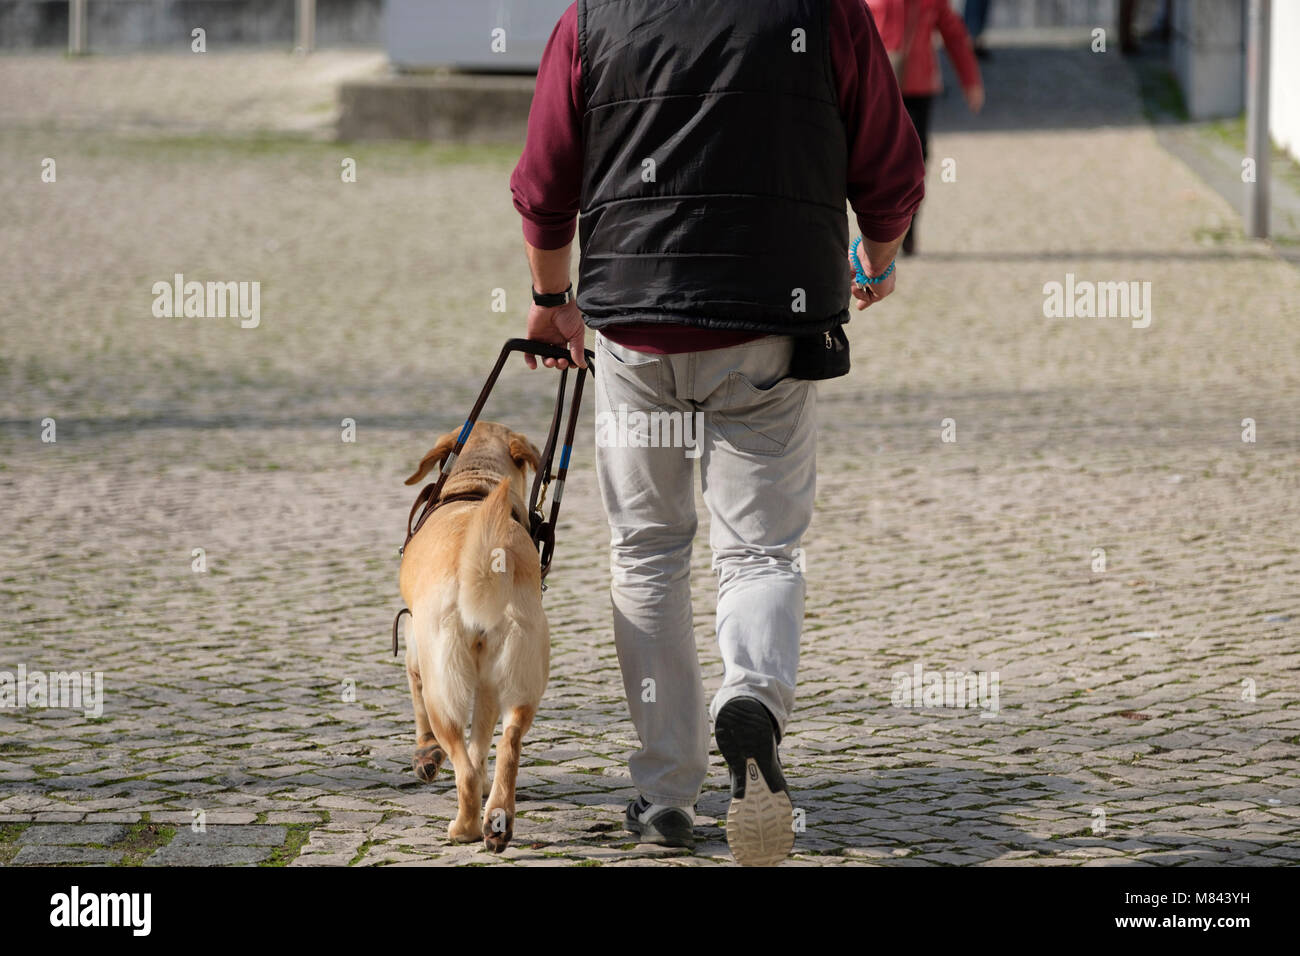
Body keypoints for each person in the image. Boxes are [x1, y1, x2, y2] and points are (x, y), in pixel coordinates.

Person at [510, 0, 924, 865]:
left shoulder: (593, 18)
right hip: (770, 326)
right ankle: (754, 704)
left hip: (636, 328)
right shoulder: (826, 13)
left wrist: (553, 303)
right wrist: (877, 262)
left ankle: (665, 790)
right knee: (762, 549)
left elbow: (545, 183)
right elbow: (890, 170)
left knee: (648, 549)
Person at [868, 0, 984, 255]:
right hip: (879, 87)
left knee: (916, 160)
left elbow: (953, 34)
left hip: (918, 88)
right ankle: (881, 229)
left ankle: (907, 227)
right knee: (879, 160)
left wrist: (970, 80)